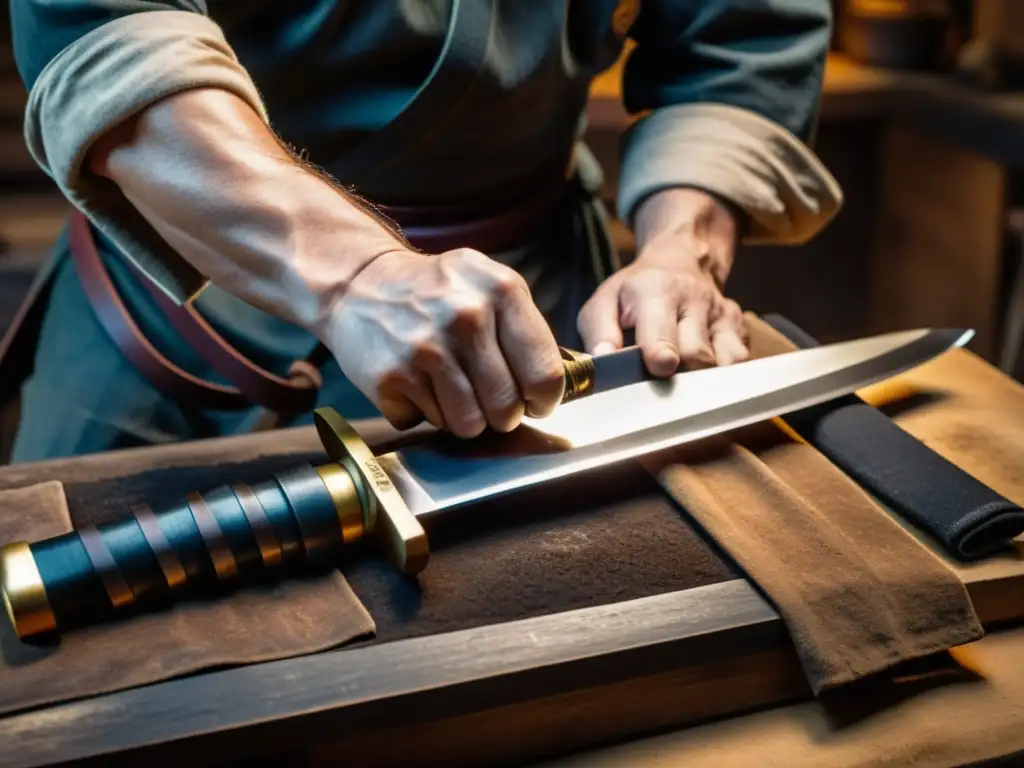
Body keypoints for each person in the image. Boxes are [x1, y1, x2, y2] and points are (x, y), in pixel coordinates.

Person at [3, 0, 842, 462]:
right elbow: (107, 30)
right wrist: (354, 276)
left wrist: (679, 251)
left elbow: (737, 39)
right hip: (189, 303)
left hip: (529, 318)